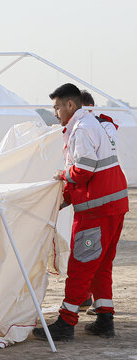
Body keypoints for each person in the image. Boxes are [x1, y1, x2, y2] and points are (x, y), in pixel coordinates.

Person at [33, 83, 128, 341]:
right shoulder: (97, 124)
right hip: (114, 207)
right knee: (101, 265)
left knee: (82, 265)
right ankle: (105, 318)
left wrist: (61, 175)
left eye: (57, 107)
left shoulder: (82, 130)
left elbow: (83, 171)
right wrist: (64, 198)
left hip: (96, 211)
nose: (55, 113)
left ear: (70, 105)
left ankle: (66, 323)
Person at [77, 90, 122, 314]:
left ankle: (74, 308)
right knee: (103, 260)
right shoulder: (108, 126)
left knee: (85, 259)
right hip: (115, 201)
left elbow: (83, 169)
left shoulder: (87, 128)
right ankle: (104, 310)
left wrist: (64, 177)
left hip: (96, 205)